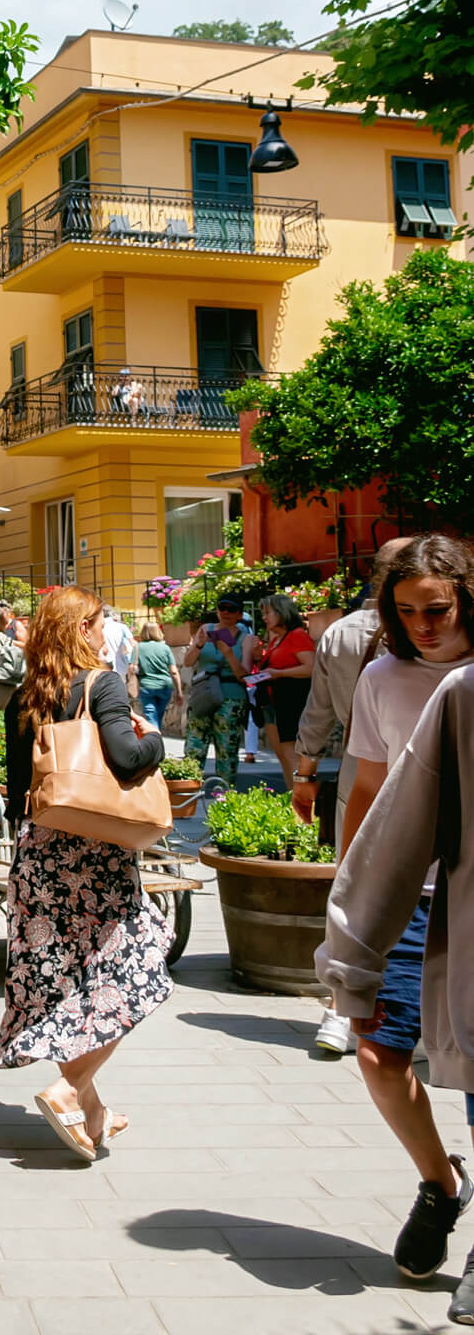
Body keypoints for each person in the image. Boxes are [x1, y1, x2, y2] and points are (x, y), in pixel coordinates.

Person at [326, 535, 474, 1287]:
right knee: (379, 1057)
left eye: (437, 608)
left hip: (471, 897)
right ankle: (440, 1185)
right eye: (406, 610)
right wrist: (349, 897)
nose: (422, 624)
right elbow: (366, 791)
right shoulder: (382, 677)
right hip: (407, 901)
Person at [0, 585, 169, 1162]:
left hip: (40, 854)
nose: (104, 629)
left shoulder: (24, 697)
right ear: (82, 629)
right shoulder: (102, 684)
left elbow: (20, 792)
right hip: (97, 855)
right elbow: (128, 756)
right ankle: (67, 1089)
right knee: (138, 969)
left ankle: (91, 1112)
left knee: (67, 983)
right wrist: (156, 741)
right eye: (100, 621)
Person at [293, 537, 411, 1055]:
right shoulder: (430, 632)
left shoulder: (339, 633)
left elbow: (317, 710)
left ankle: (341, 1006)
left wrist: (304, 772)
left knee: (351, 885)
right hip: (427, 772)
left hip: (360, 767)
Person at [182, 593, 258, 786]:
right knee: (194, 747)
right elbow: (188, 662)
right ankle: (188, 794)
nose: (226, 612)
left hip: (231, 697)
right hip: (203, 694)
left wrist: (228, 653)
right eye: (222, 607)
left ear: (240, 614)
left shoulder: (246, 638)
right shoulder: (205, 630)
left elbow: (245, 675)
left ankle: (223, 796)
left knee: (227, 750)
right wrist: (199, 644)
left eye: (231, 609)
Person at [250, 592, 316, 787]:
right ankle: (291, 798)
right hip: (273, 702)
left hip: (291, 702)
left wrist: (280, 674)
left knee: (291, 755)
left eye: (267, 612)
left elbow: (310, 667)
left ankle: (299, 801)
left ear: (281, 612)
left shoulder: (297, 636)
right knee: (283, 755)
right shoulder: (276, 639)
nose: (264, 617)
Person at [134, 619, 182, 732]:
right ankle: (158, 741)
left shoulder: (138, 648)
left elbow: (132, 667)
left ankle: (155, 743)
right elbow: (174, 672)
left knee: (151, 716)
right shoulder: (165, 648)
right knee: (158, 716)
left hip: (146, 686)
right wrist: (179, 691)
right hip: (165, 686)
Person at [101, 604, 135, 680]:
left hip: (104, 668)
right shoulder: (122, 627)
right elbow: (133, 644)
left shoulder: (99, 628)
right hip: (122, 667)